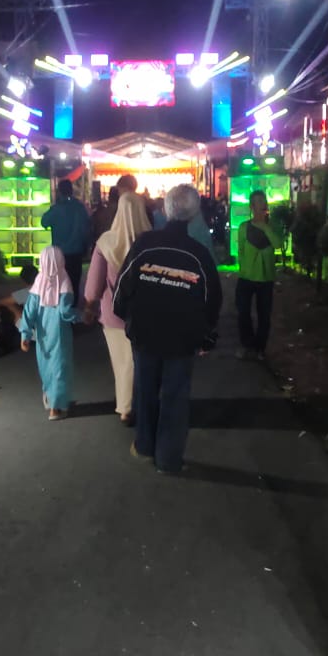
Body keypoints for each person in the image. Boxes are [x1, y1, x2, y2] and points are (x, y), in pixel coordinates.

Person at [113, 184, 221, 474]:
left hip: (145, 335)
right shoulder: (198, 254)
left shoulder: (145, 244)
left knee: (145, 390)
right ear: (194, 213)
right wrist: (206, 337)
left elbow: (122, 288)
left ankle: (145, 446)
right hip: (182, 340)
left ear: (165, 209)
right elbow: (212, 301)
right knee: (175, 397)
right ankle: (169, 459)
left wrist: (128, 320)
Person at [85, 191, 151, 425]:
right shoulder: (151, 241)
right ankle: (142, 402)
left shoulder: (105, 243)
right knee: (142, 362)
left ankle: (125, 407)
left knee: (121, 362)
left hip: (113, 314)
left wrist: (90, 305)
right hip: (146, 313)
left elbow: (94, 285)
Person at [19, 246, 83, 421]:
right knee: (60, 369)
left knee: (46, 368)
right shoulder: (64, 280)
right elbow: (65, 311)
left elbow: (29, 311)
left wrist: (25, 335)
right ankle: (56, 408)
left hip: (42, 335)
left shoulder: (38, 282)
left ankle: (52, 399)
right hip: (60, 334)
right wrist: (80, 316)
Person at [236, 189, 282, 361]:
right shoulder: (244, 227)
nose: (261, 205)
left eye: (263, 202)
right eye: (257, 202)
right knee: (243, 313)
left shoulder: (273, 226)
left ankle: (260, 348)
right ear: (251, 206)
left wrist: (264, 227)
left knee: (264, 315)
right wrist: (244, 267)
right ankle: (247, 344)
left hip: (266, 278)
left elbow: (278, 244)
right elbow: (240, 250)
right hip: (246, 278)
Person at [40, 179, 91, 294]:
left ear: (59, 191)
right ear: (71, 191)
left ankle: (63, 302)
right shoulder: (79, 208)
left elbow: (44, 222)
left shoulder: (56, 209)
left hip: (59, 253)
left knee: (60, 283)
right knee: (74, 282)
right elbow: (86, 228)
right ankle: (73, 302)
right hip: (76, 252)